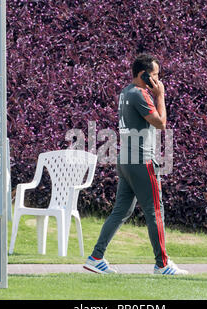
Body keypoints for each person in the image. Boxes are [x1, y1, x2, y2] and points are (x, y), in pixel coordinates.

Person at [83, 53, 188, 275]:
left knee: (121, 211)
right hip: (142, 161)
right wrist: (161, 96)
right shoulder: (140, 94)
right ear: (144, 75)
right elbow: (161, 123)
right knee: (155, 212)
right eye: (155, 75)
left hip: (126, 160)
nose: (158, 80)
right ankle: (162, 264)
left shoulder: (125, 92)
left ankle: (95, 257)